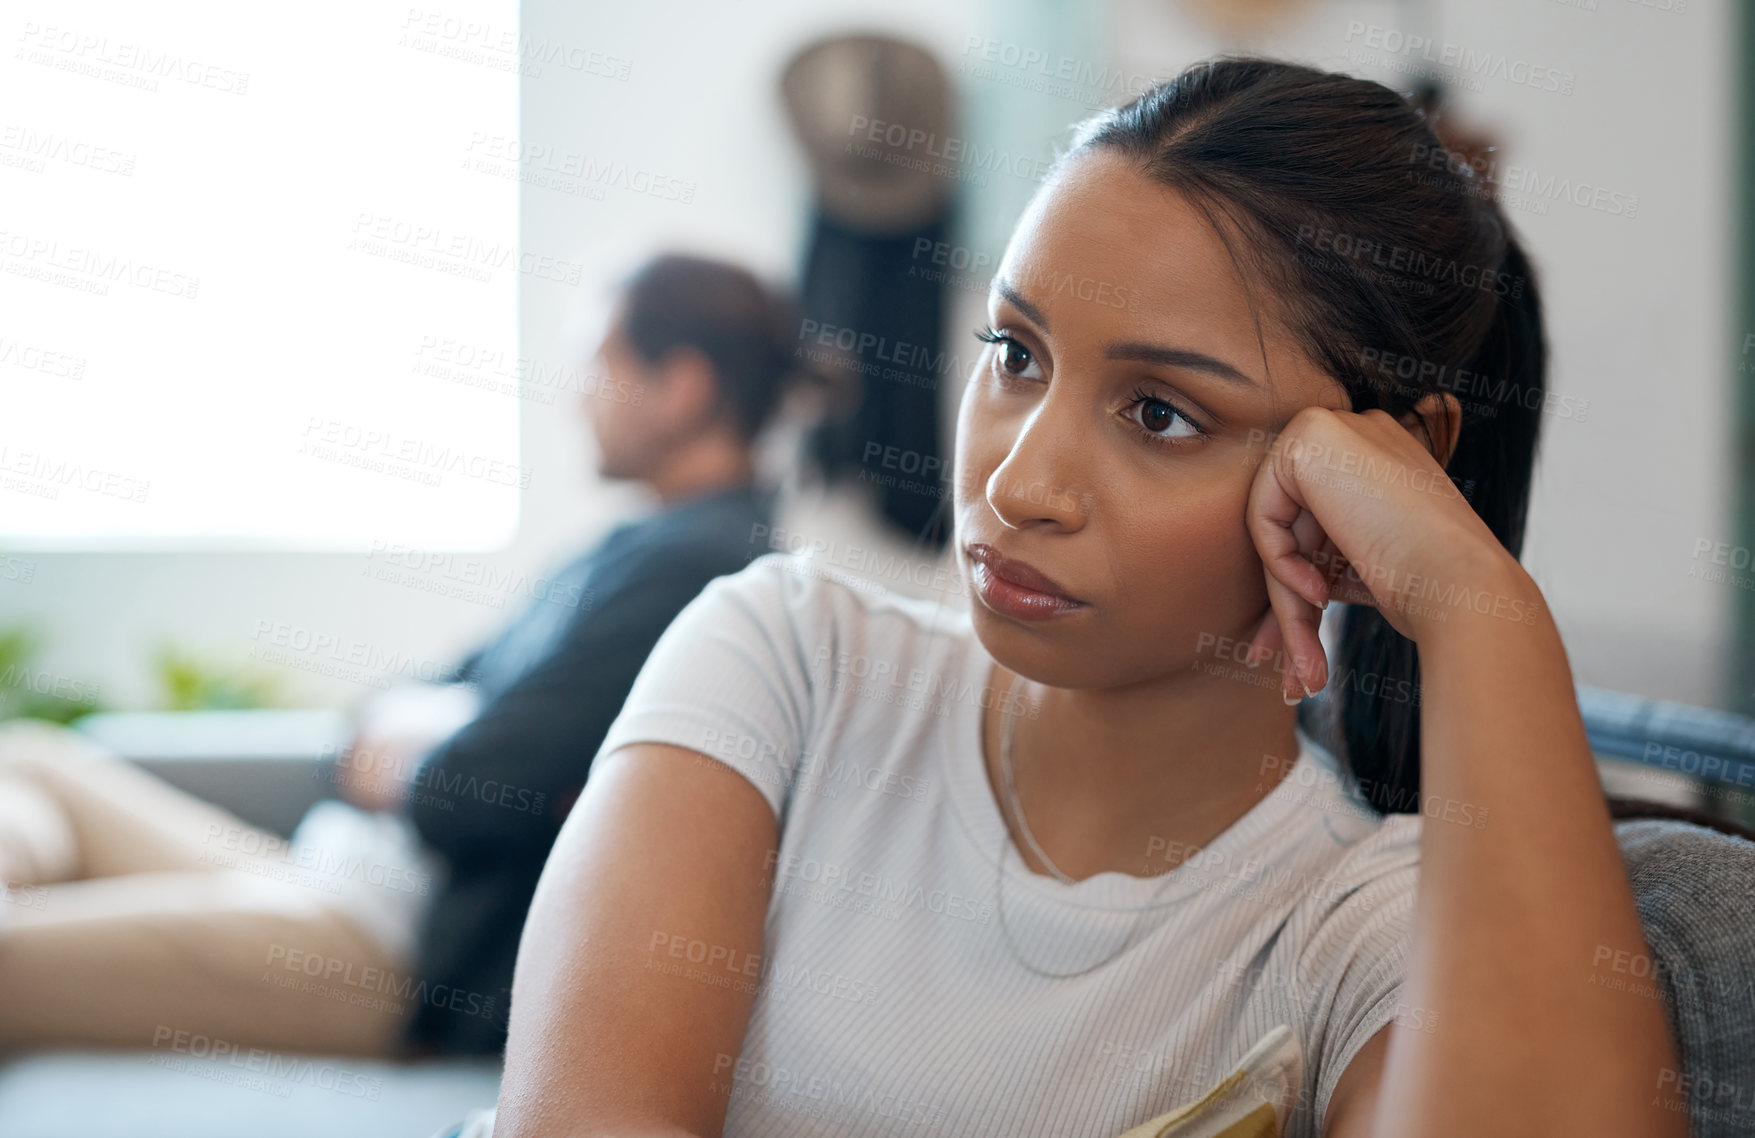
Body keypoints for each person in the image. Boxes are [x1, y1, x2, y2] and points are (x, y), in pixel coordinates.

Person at [489, 58, 1689, 1138]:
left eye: (1161, 412)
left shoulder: (1356, 936)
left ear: (1392, 469)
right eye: (1015, 354)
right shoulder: (789, 659)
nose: (1018, 483)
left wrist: (1479, 602)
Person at [0, 252, 814, 1059]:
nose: (576, 402)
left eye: (597, 368)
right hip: (325, 872)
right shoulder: (629, 547)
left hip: (375, 947)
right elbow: (401, 712)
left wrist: (430, 746)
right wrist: (423, 739)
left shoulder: (695, 570)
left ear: (681, 386)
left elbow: (473, 790)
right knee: (33, 761)